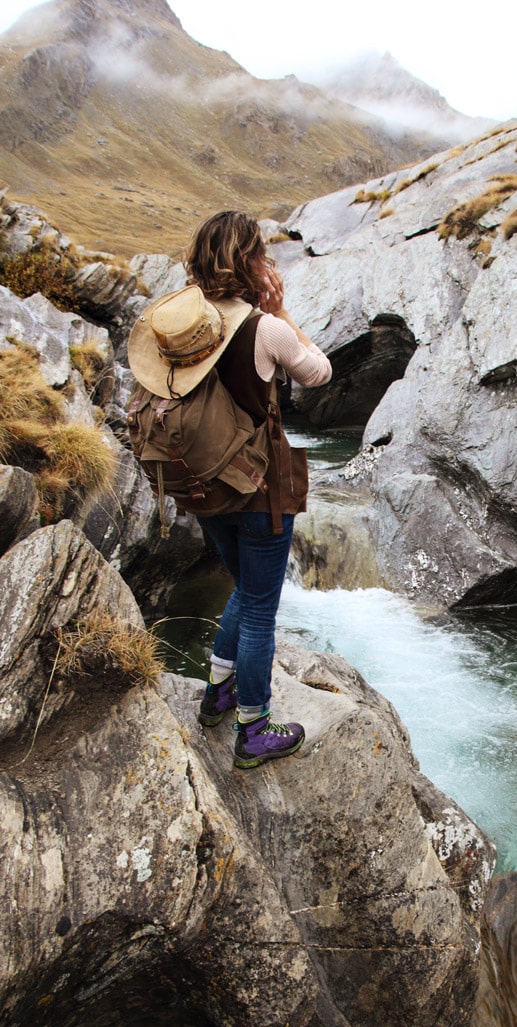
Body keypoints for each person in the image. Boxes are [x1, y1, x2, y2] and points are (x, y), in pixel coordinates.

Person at [136, 210, 332, 767]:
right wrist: (281, 310)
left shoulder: (180, 327)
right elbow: (319, 372)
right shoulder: (262, 327)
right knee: (260, 611)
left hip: (201, 486)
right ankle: (254, 728)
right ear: (250, 261)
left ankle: (217, 693)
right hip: (258, 489)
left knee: (243, 589)